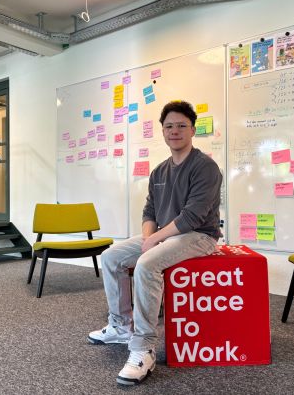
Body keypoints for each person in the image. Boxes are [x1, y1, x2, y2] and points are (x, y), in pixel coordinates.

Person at [87, 100, 222, 385]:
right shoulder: (159, 171)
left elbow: (192, 217)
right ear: (163, 131)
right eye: (169, 126)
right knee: (111, 257)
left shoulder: (205, 167)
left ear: (193, 130)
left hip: (200, 236)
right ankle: (120, 326)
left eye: (181, 125)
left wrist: (155, 242)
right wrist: (150, 238)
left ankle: (143, 347)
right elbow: (149, 211)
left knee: (147, 263)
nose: (175, 131)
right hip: (165, 233)